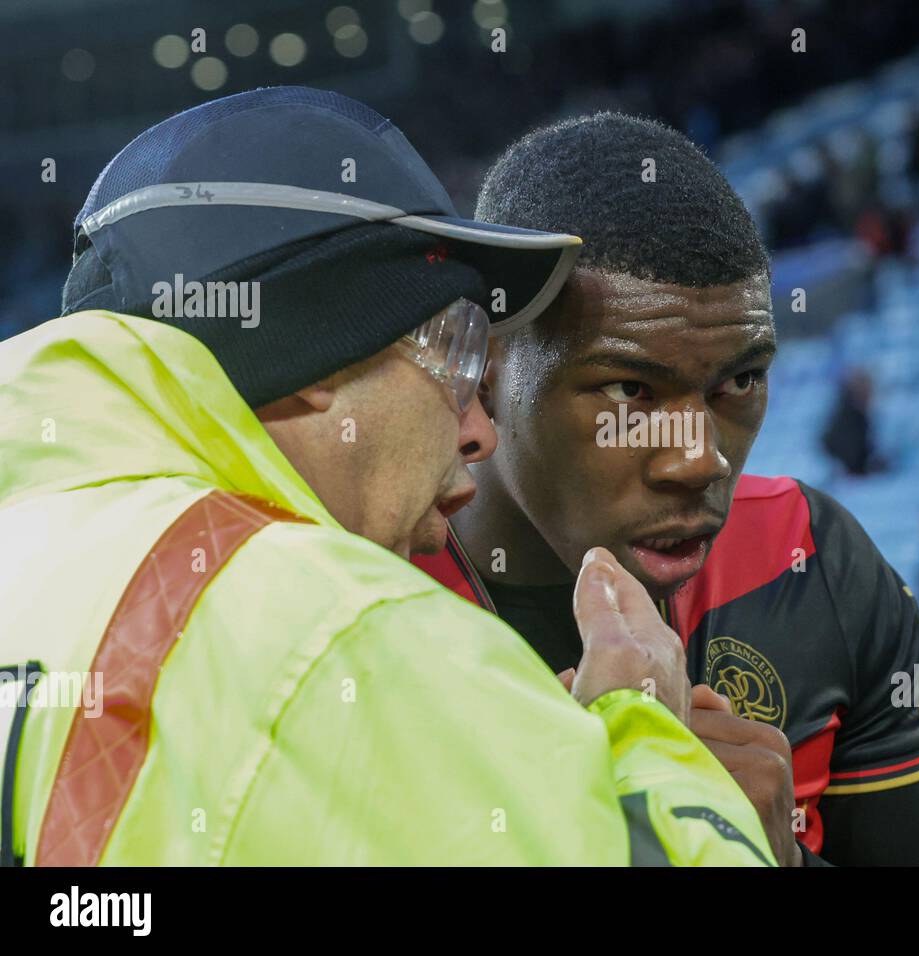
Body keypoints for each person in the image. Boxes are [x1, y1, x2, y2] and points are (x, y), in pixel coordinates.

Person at [0, 88, 775, 867]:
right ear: (311, 352)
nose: (479, 428)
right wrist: (644, 741)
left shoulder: (34, 560)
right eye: (455, 349)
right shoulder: (330, 628)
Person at [413, 113, 919, 866]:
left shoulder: (809, 560)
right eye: (630, 389)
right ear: (486, 367)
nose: (697, 460)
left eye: (740, 381)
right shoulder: (356, 600)